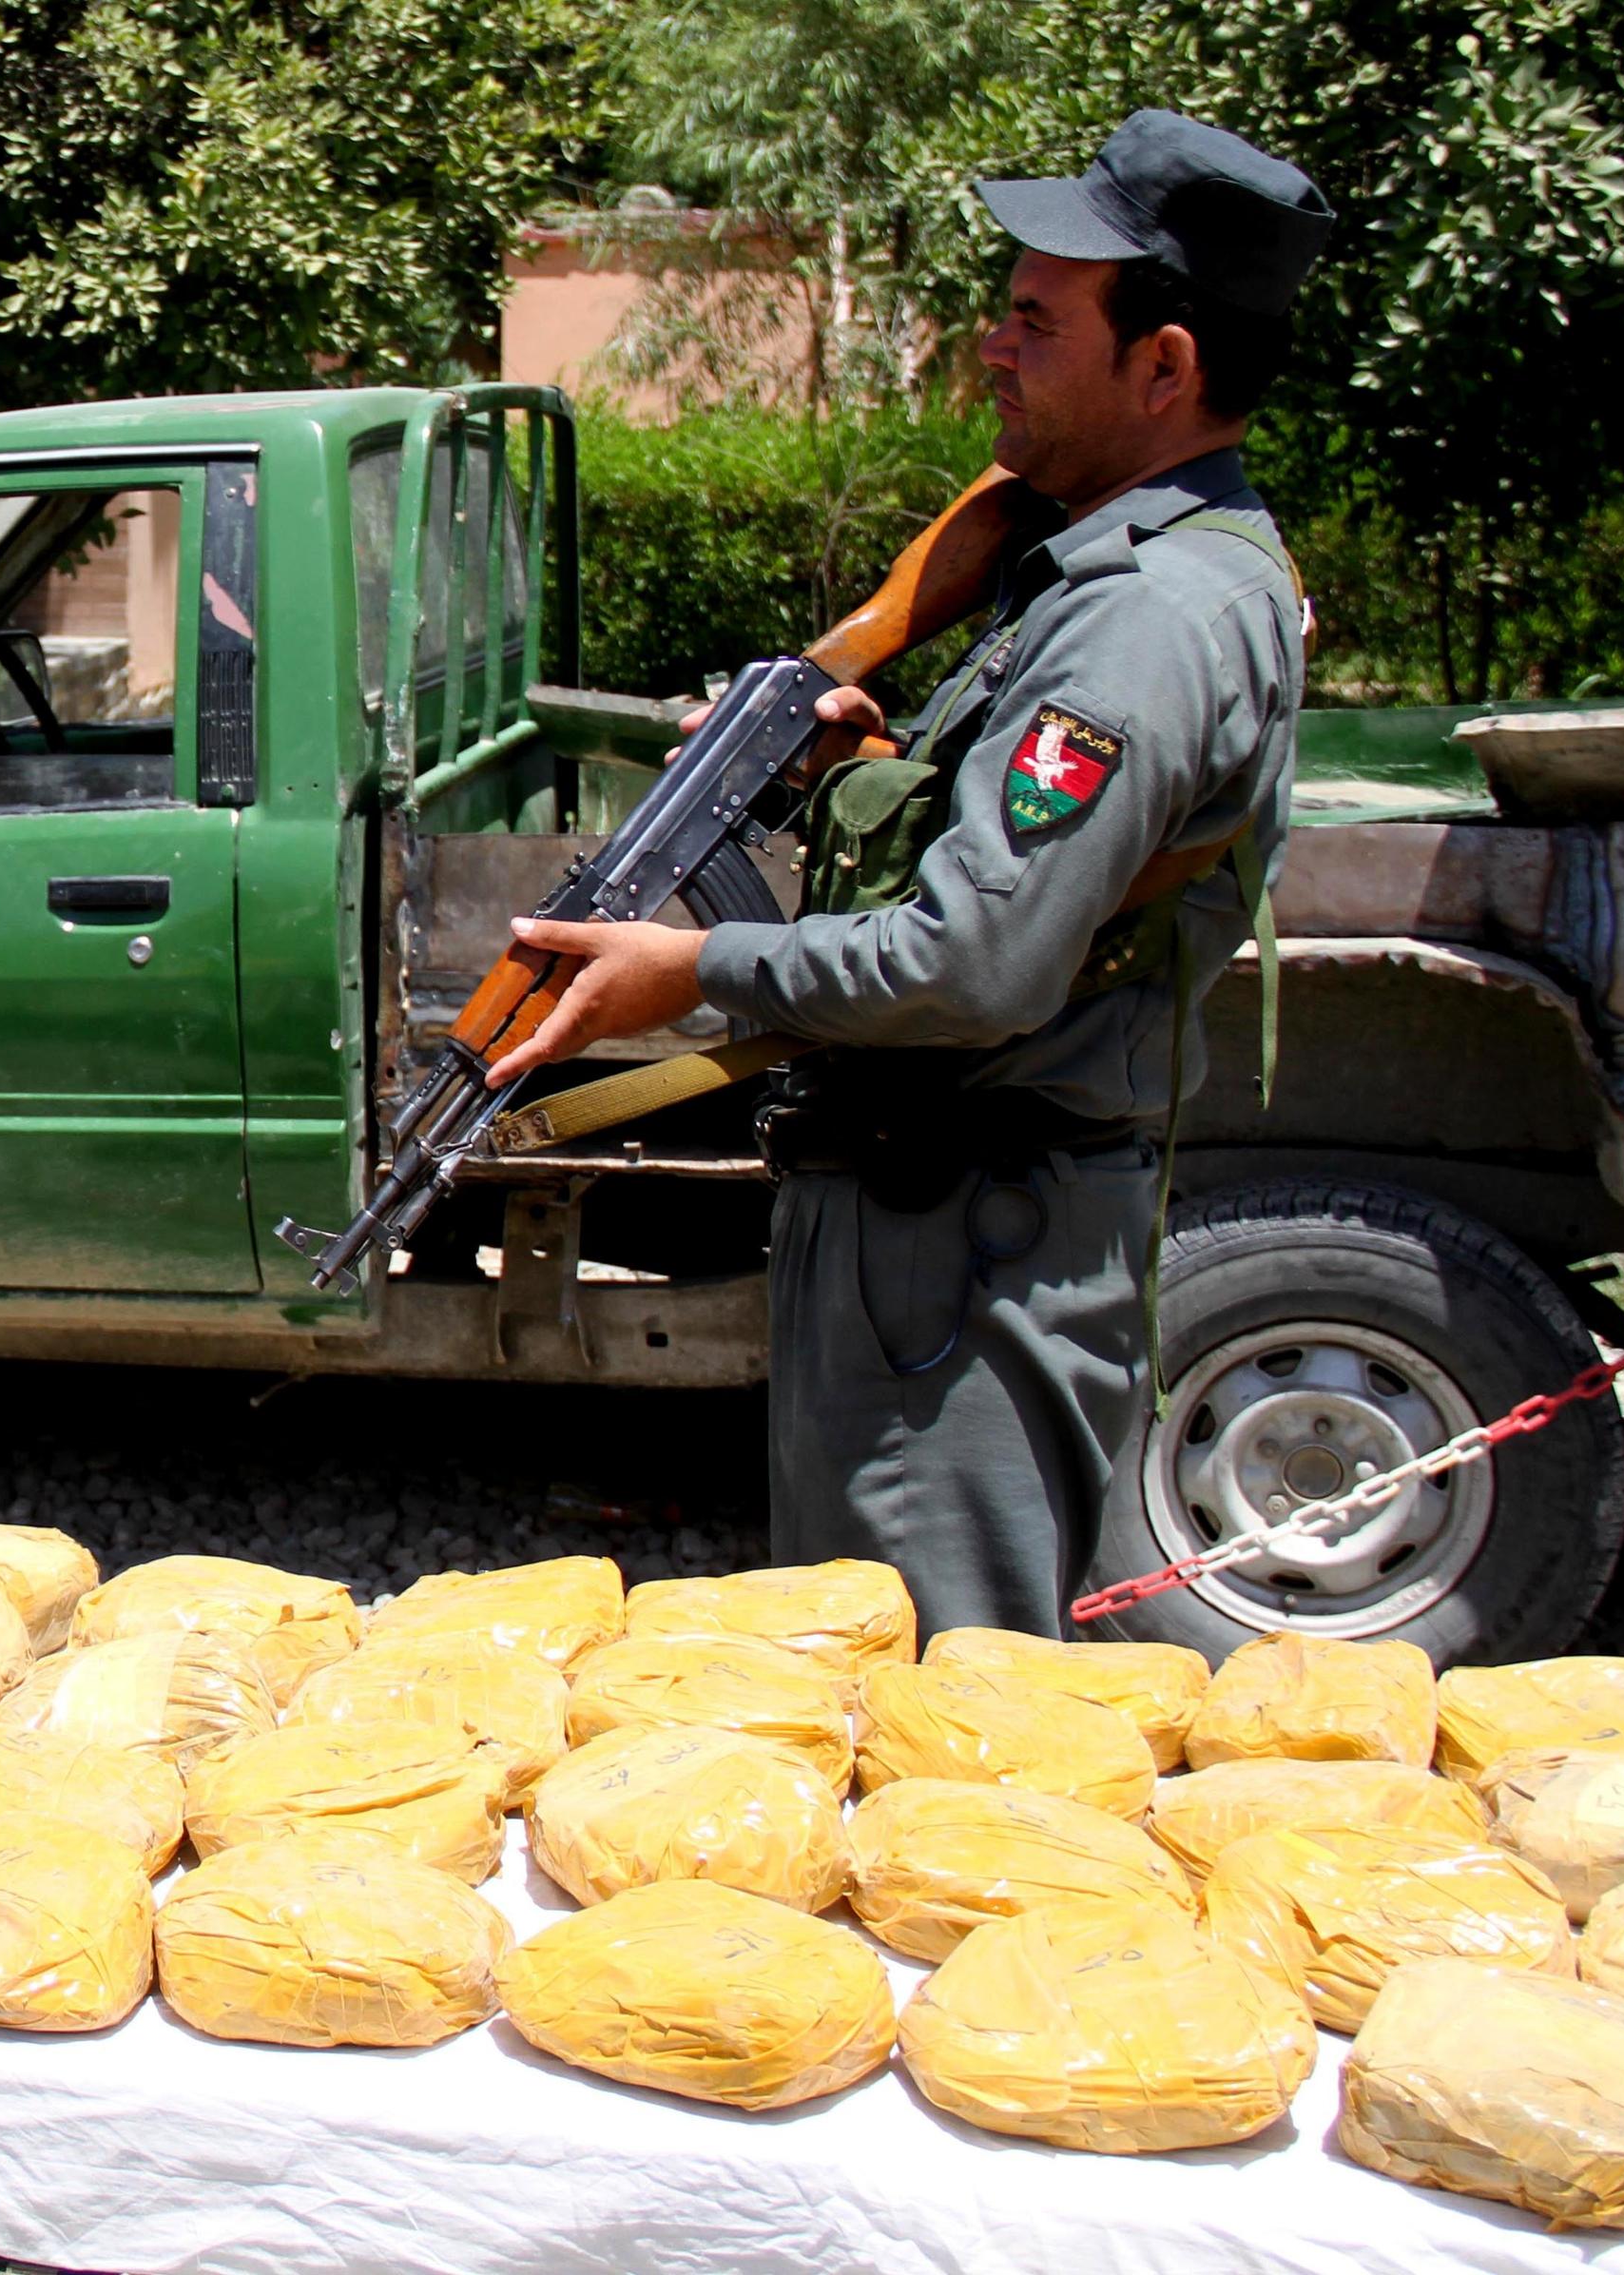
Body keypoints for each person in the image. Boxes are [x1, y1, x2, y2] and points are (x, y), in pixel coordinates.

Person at [490, 112, 1333, 1637]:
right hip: (939, 1226)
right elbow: (1006, 864)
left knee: (948, 1707)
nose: (992, 353)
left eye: (1034, 319)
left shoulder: (1142, 613)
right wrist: (848, 767)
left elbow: (972, 962)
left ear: (1167, 367)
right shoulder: (1092, 576)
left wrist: (692, 973)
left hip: (968, 1248)